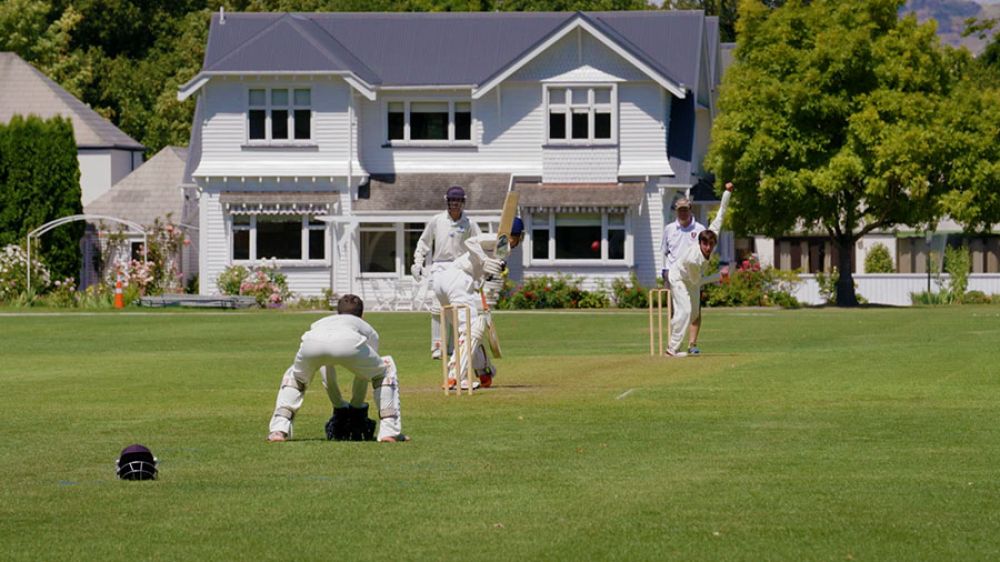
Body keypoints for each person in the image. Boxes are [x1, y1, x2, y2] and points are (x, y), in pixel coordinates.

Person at [266, 294, 407, 443]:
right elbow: (367, 372)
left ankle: (278, 431)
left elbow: (326, 361)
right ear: (362, 315)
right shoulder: (365, 327)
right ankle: (389, 431)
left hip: (311, 342)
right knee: (385, 369)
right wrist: (357, 404)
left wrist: (338, 402)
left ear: (337, 313)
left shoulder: (321, 322)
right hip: (349, 344)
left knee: (295, 379)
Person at [437, 217, 524, 390]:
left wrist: (488, 271)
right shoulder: (501, 240)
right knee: (471, 329)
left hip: (444, 283)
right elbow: (470, 241)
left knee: (470, 331)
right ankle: (454, 376)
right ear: (518, 236)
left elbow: (483, 270)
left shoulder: (502, 249)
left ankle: (484, 372)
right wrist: (484, 260)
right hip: (459, 278)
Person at [411, 186, 483, 359]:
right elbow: (424, 243)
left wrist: (480, 273)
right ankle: (437, 346)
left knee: (458, 308)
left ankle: (454, 347)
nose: (455, 204)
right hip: (440, 267)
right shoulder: (437, 220)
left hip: (460, 268)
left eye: (458, 201)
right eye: (452, 201)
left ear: (463, 202)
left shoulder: (469, 223)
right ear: (447, 202)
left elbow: (479, 246)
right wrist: (418, 263)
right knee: (438, 307)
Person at [666, 182, 733, 358]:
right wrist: (719, 276)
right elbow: (698, 281)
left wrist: (727, 193)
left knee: (694, 313)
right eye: (705, 244)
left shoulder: (711, 234)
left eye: (711, 244)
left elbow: (721, 214)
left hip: (692, 279)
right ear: (700, 243)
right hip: (679, 277)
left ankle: (677, 329)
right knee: (686, 311)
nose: (708, 247)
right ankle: (672, 349)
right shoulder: (693, 259)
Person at [660, 195, 707, 354]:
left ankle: (692, 344)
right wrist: (665, 272)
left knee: (695, 310)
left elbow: (704, 251)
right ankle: (675, 344)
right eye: (680, 210)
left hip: (693, 274)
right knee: (678, 311)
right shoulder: (669, 229)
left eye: (685, 210)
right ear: (675, 211)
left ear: (690, 209)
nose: (683, 213)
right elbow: (665, 252)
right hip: (675, 274)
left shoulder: (699, 229)